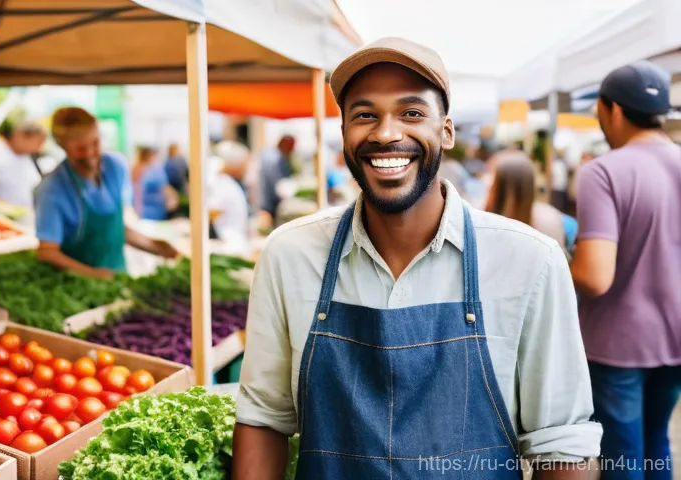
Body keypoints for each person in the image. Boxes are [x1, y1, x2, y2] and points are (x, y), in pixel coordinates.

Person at [233, 37, 600, 480]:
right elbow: (263, 418)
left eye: (411, 113)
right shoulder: (289, 254)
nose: (386, 133)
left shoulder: (530, 260)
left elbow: (562, 445)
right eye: (365, 114)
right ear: (344, 133)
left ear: (445, 130)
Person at [570, 61, 681, 478]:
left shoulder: (603, 171)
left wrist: (555, 263)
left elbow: (595, 276)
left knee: (622, 454)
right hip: (676, 334)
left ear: (611, 109)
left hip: (618, 341)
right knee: (657, 440)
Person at [34, 107, 177, 279]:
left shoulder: (115, 167)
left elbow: (113, 229)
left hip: (118, 276)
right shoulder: (52, 189)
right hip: (76, 287)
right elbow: (47, 252)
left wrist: (155, 246)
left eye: (95, 143)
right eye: (80, 148)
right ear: (62, 145)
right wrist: (93, 274)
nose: (89, 154)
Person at [485, 149, 577, 255]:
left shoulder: (483, 222)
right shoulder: (553, 218)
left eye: (489, 173)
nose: (484, 179)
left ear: (496, 186)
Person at [208, 141, 251, 244]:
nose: (246, 168)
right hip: (229, 240)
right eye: (244, 164)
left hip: (233, 240)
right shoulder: (223, 184)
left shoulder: (226, 183)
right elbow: (212, 211)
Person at [256, 135, 296, 230]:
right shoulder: (274, 159)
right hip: (267, 205)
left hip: (267, 203)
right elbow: (275, 186)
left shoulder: (275, 157)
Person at [131, 145, 178, 221]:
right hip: (143, 210)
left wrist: (172, 199)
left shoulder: (156, 171)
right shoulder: (139, 170)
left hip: (153, 210)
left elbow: (166, 188)